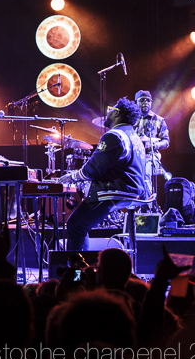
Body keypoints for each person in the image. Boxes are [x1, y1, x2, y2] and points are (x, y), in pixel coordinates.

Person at [60, 97, 147, 251]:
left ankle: (79, 273)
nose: (107, 114)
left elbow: (94, 167)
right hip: (132, 191)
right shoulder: (134, 136)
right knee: (80, 224)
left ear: (117, 113)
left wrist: (74, 176)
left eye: (110, 110)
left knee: (76, 226)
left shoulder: (115, 135)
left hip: (114, 191)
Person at [134, 89, 170, 183]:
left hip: (150, 156)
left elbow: (166, 141)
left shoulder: (159, 120)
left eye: (148, 100)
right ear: (136, 102)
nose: (146, 102)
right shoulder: (130, 119)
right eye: (142, 100)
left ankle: (147, 196)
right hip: (133, 155)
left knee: (146, 173)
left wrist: (155, 145)